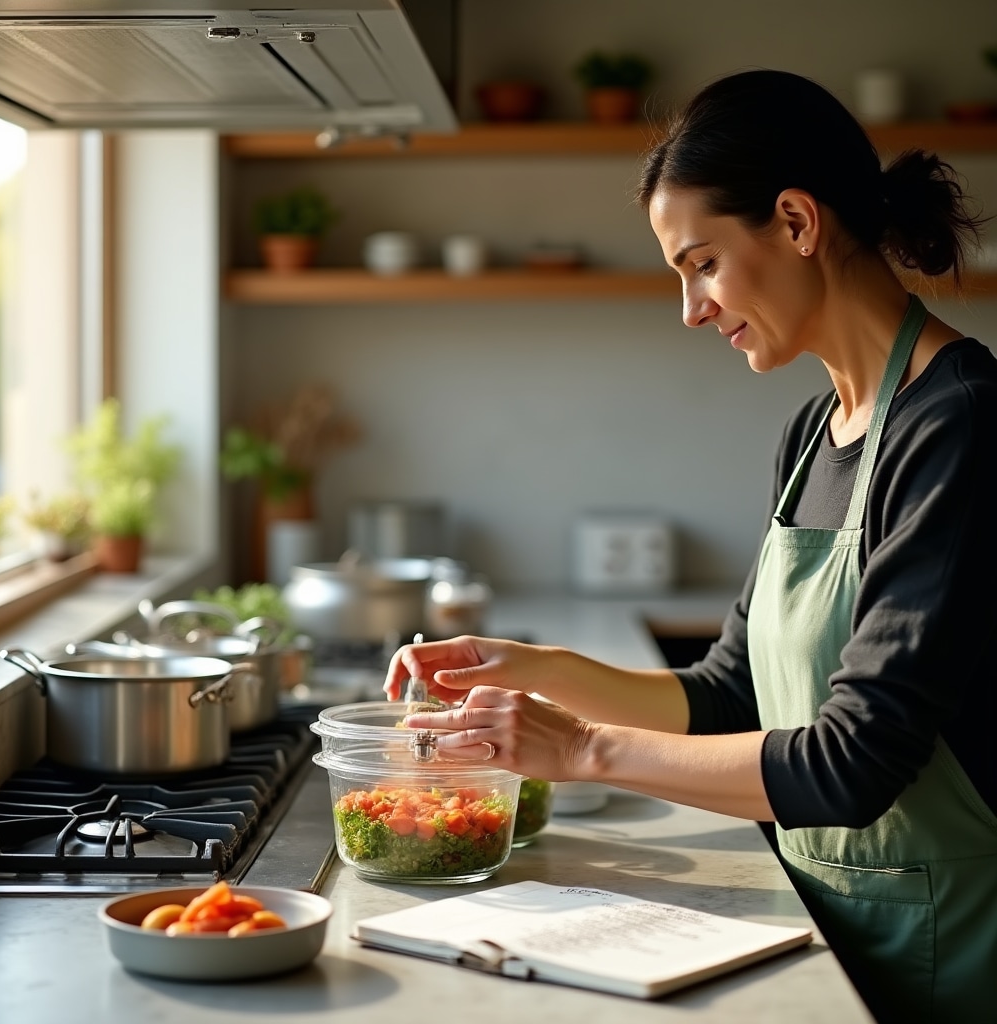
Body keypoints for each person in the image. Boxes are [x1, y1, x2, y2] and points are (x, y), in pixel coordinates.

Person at [383, 68, 997, 1023]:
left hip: (943, 954)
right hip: (828, 926)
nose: (693, 308)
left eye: (701, 263)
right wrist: (530, 669)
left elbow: (855, 763)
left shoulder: (957, 425)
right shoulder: (814, 432)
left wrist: (583, 749)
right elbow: (725, 696)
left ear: (796, 222)